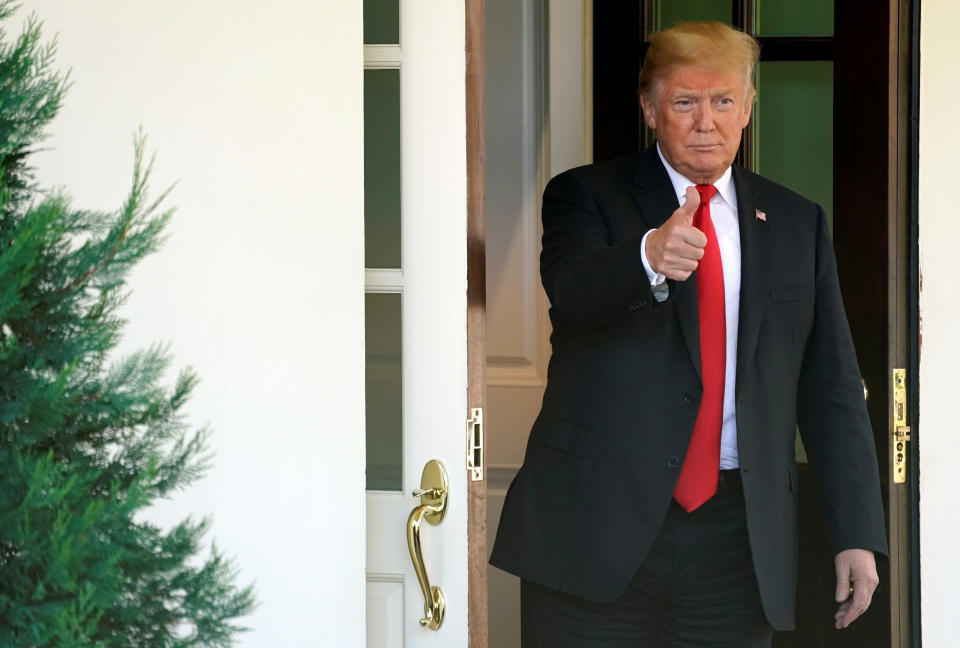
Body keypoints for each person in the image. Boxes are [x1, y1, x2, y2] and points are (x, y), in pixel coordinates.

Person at [489, 21, 887, 647]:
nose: (707, 121)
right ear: (649, 109)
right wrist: (647, 256)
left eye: (724, 100)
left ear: (749, 108)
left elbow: (830, 386)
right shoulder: (584, 195)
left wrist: (857, 532)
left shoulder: (796, 222)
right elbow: (572, 293)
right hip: (595, 528)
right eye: (685, 102)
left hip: (738, 541)